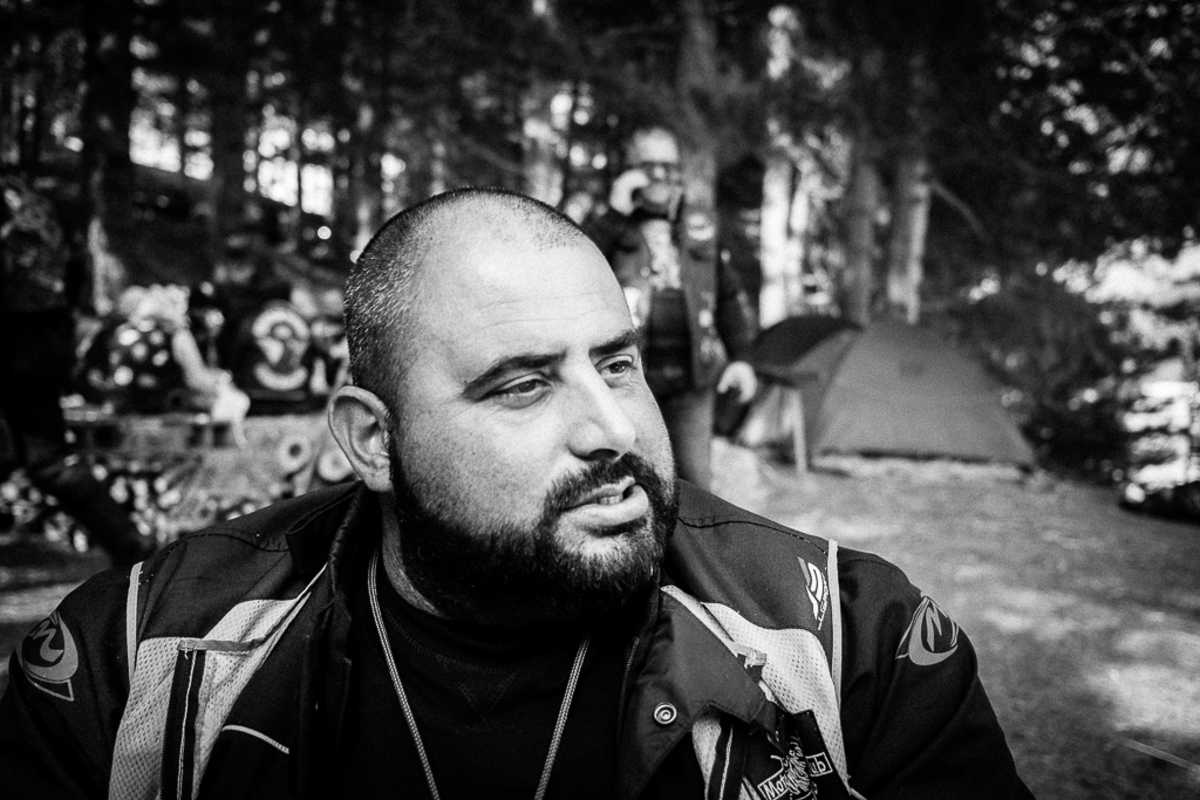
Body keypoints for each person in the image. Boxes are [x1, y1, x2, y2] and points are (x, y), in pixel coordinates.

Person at [0, 188, 1032, 799]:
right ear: (372, 439)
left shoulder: (850, 642)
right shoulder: (135, 663)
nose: (613, 429)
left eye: (617, 364)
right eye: (524, 384)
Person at [587, 126, 758, 489]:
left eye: (668, 165)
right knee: (632, 481)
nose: (660, 175)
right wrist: (615, 214)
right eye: (648, 165)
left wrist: (742, 358)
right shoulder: (611, 225)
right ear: (630, 170)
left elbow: (727, 295)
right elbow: (575, 272)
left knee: (696, 483)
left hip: (693, 381)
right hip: (628, 382)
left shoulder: (700, 224)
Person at [0, 171, 153, 566]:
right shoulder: (34, 197)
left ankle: (133, 549)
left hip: (22, 338)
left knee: (47, 460)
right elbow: (76, 271)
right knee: (48, 461)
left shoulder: (18, 200)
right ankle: (132, 547)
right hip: (41, 336)